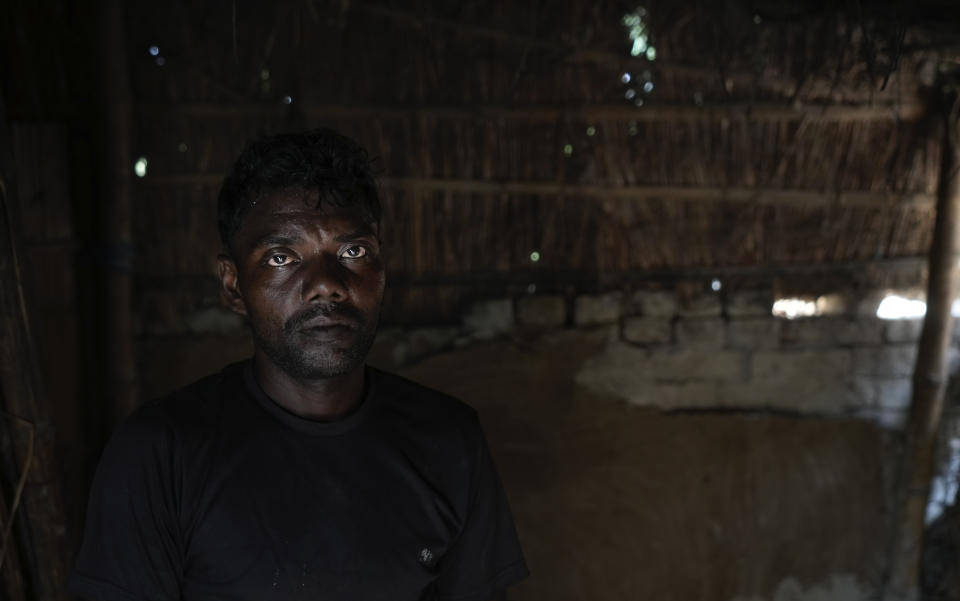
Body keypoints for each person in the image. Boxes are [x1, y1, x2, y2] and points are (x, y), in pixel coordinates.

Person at [70, 129, 529, 601]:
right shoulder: (160, 454)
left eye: (353, 252)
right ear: (233, 286)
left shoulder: (448, 441)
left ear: (382, 271)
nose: (325, 285)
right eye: (282, 257)